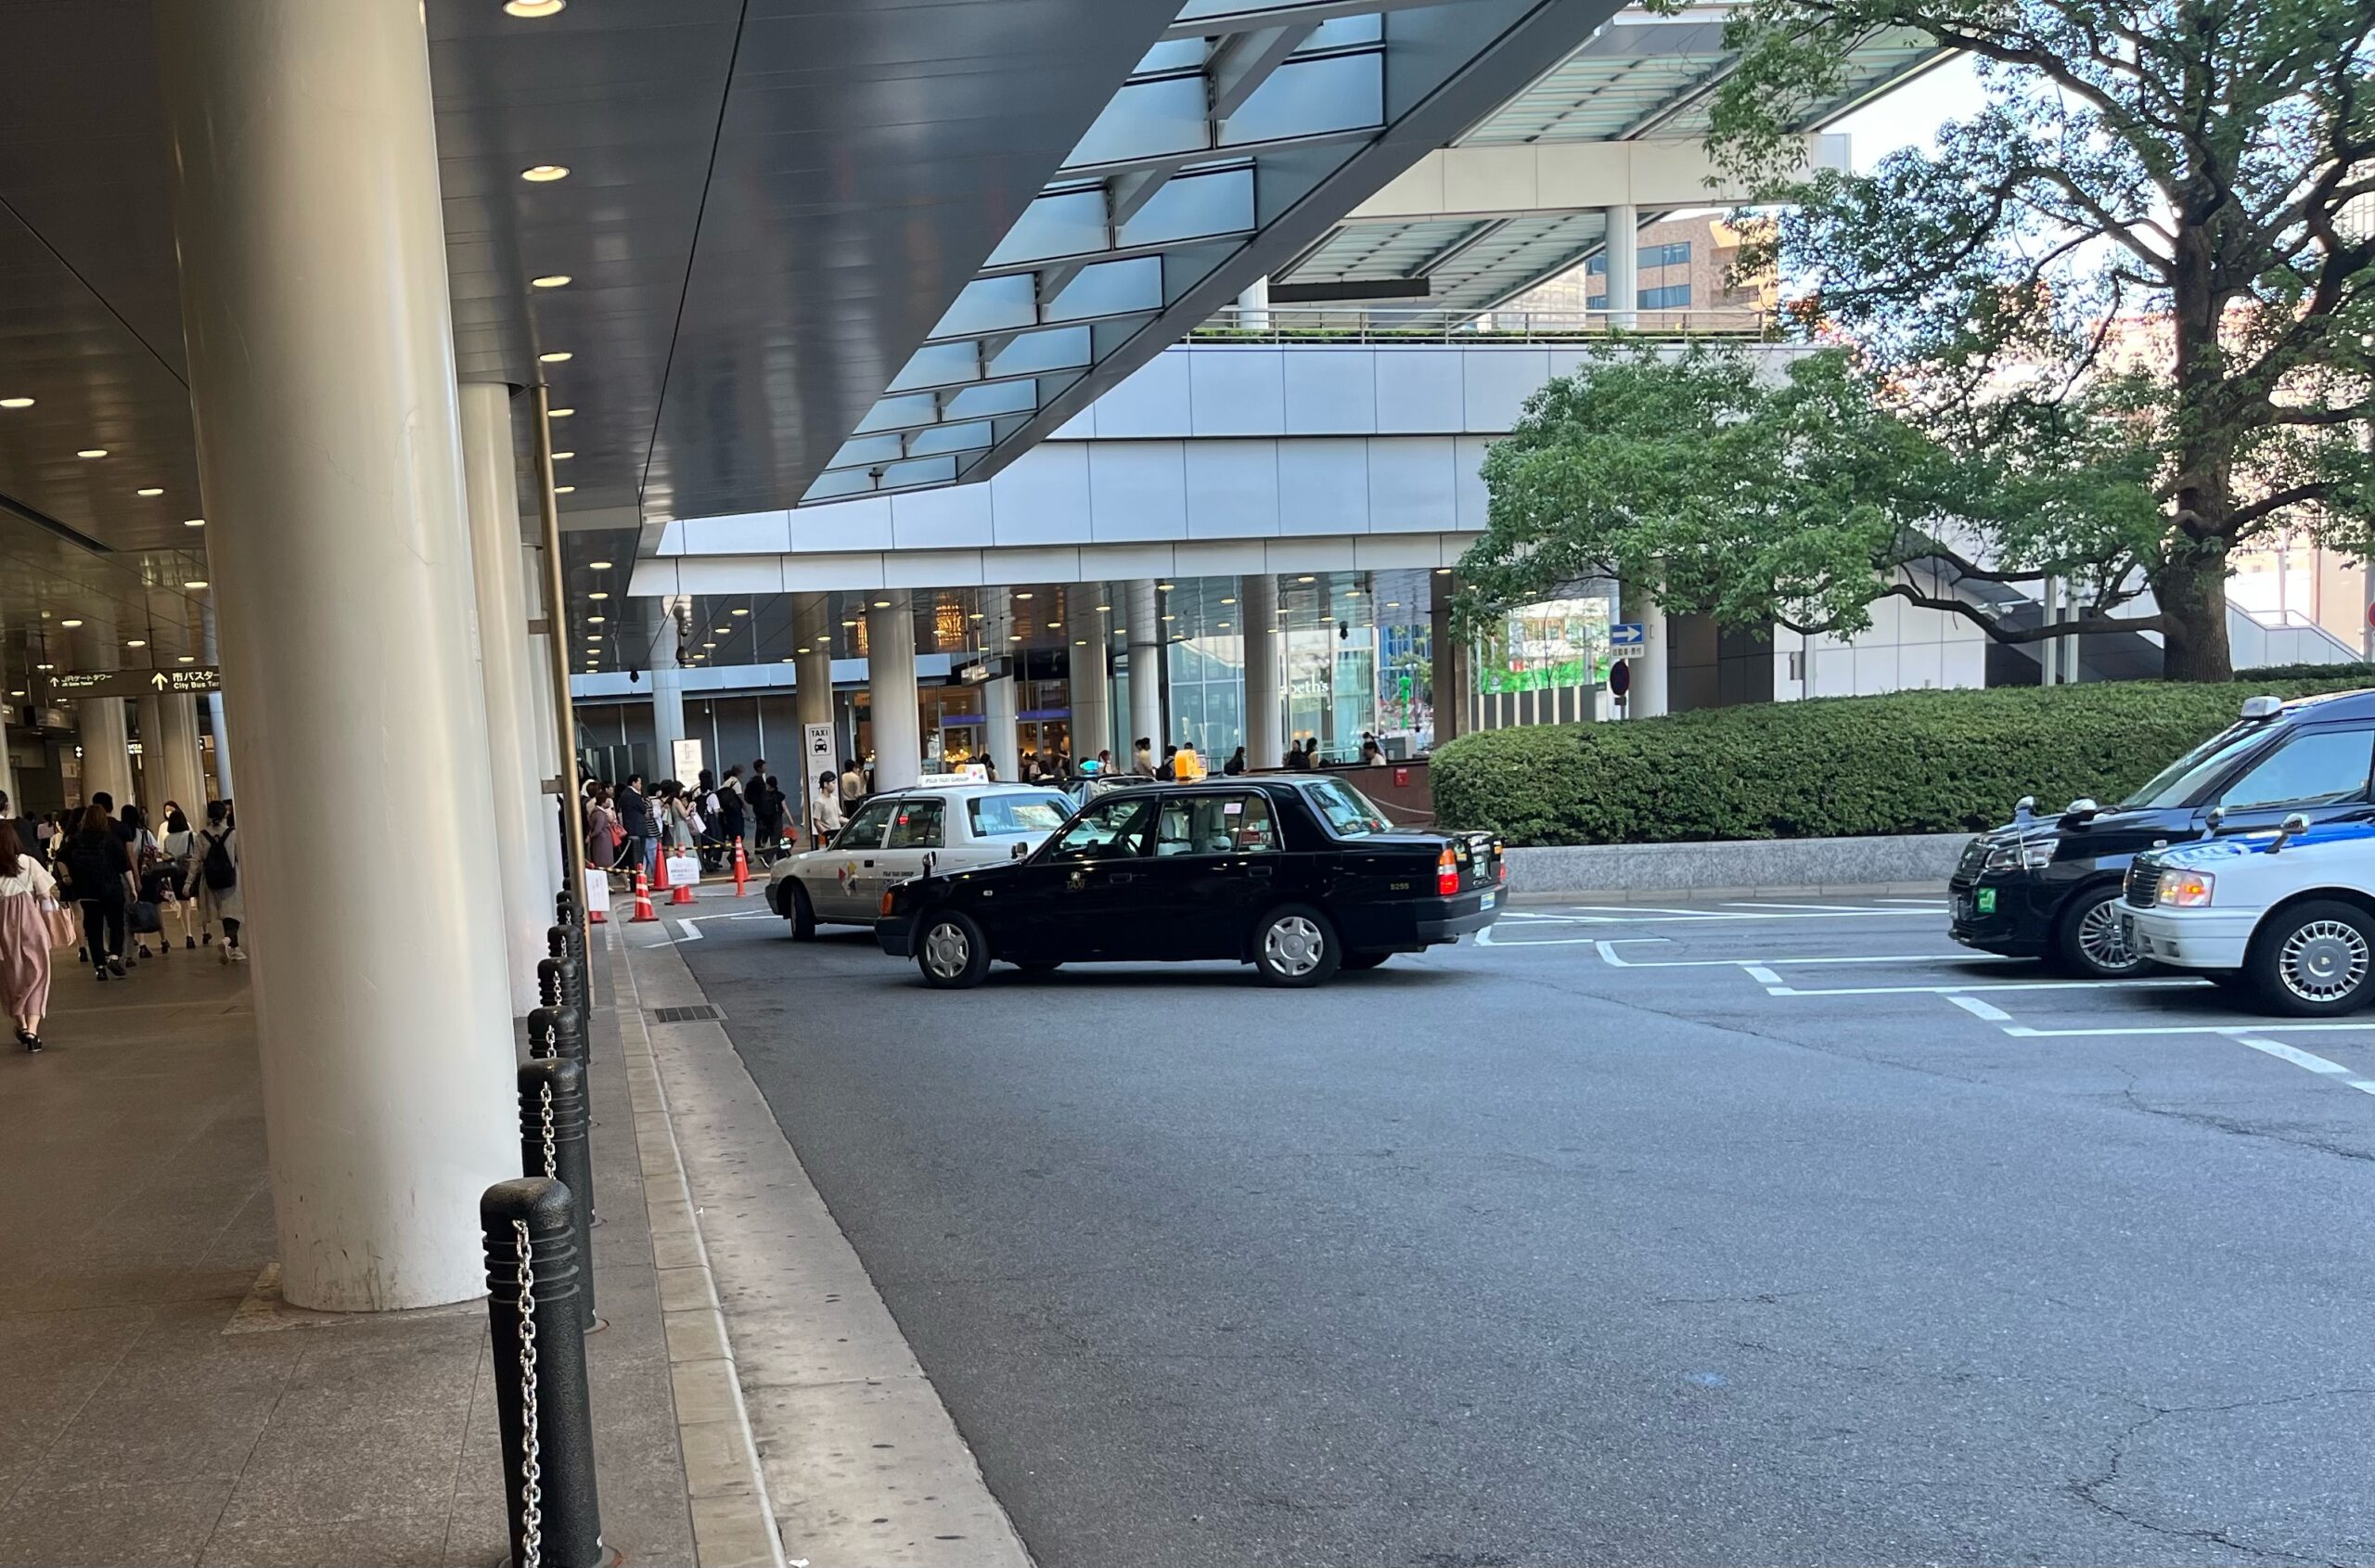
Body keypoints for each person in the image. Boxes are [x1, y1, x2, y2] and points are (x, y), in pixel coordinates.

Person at [0, 823, 57, 1051]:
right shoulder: (28, 862)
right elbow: (45, 896)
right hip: (31, 924)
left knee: (11, 976)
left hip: (3, 927)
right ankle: (33, 1032)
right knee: (38, 973)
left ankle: (22, 1025)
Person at [62, 802, 134, 981]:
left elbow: (60, 857)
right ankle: (115, 956)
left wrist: (66, 877)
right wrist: (133, 888)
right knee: (116, 924)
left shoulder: (76, 839)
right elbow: (124, 866)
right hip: (111, 889)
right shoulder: (110, 839)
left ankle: (99, 967)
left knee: (93, 928)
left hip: (87, 891)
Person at [190, 799, 244, 962]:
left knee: (225, 914)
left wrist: (188, 882)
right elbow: (239, 857)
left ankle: (235, 949)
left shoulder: (202, 835)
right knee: (235, 915)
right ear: (224, 815)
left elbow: (195, 860)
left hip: (211, 882)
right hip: (231, 879)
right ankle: (227, 940)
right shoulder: (233, 834)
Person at [161, 805, 204, 949]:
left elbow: (166, 855)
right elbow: (200, 853)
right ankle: (205, 931)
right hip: (193, 871)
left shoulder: (168, 839)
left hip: (177, 874)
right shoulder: (192, 835)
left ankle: (189, 935)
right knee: (198, 902)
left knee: (184, 905)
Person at [617, 772, 652, 878]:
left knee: (633, 857)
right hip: (638, 828)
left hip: (629, 828)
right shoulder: (634, 795)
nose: (641, 786)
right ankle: (638, 880)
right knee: (638, 857)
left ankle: (634, 880)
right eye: (640, 783)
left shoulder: (624, 794)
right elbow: (643, 809)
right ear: (634, 783)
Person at [585, 786, 623, 871]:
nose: (609, 803)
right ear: (602, 803)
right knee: (605, 862)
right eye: (607, 801)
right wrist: (591, 835)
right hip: (603, 840)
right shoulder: (600, 814)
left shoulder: (595, 812)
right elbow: (598, 828)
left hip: (601, 840)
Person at [811, 767, 844, 847]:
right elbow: (816, 822)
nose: (835, 785)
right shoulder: (819, 802)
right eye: (833, 783)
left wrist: (851, 822)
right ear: (825, 784)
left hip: (837, 835)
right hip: (826, 838)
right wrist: (826, 834)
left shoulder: (835, 799)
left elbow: (838, 817)